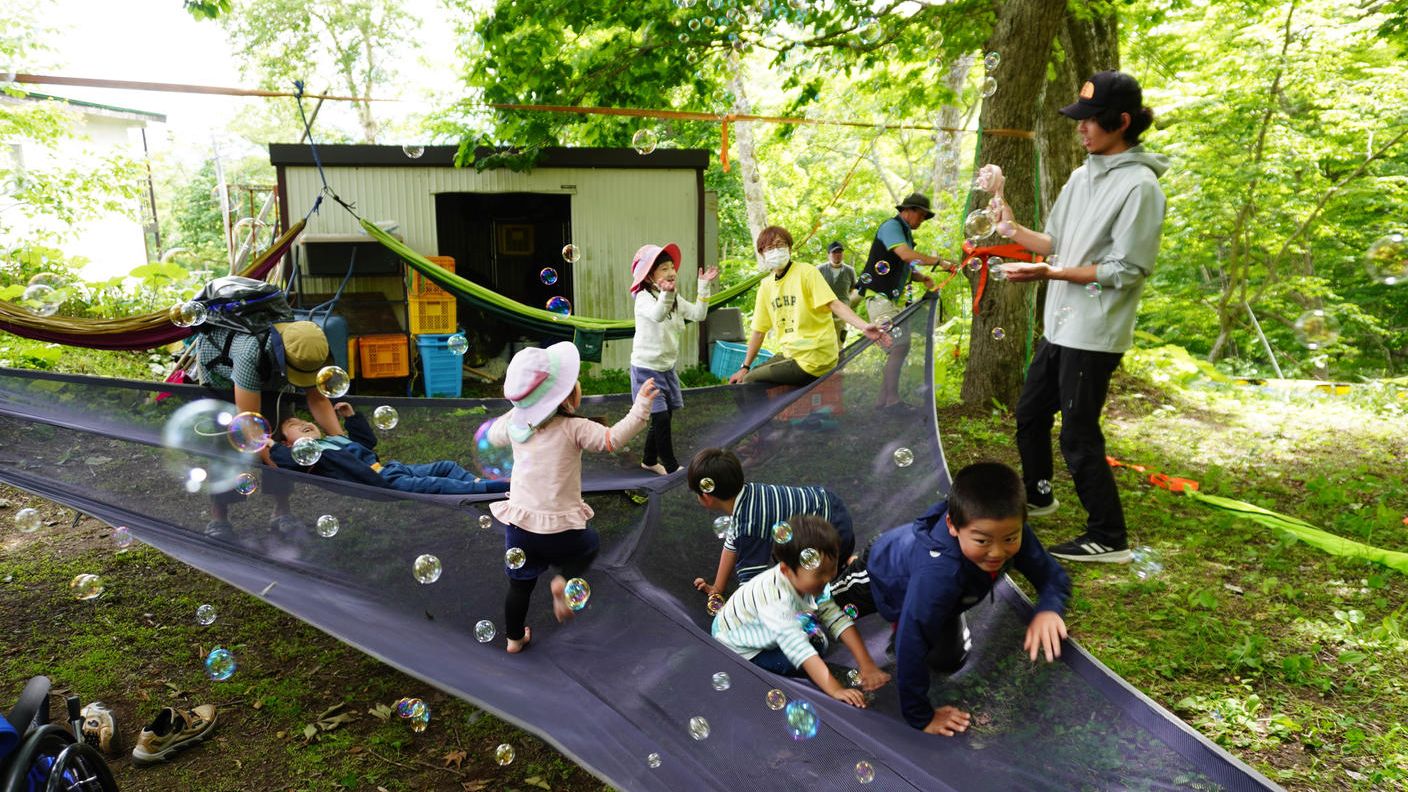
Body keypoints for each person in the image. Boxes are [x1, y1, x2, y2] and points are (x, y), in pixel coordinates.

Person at [988, 71, 1168, 563]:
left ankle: (1109, 537)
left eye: (1090, 120)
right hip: (1061, 323)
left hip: (1096, 330)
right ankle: (1040, 496)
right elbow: (1053, 244)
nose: (1081, 129)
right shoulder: (1080, 175)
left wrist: (1050, 272)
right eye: (1080, 119)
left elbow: (1127, 269)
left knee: (1078, 432)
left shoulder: (1140, 187)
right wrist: (1013, 228)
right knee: (1029, 415)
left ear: (1122, 121)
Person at [829, 462, 1072, 735]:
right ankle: (845, 569)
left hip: (935, 594)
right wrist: (921, 717)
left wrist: (1049, 609)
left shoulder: (1007, 530)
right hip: (880, 574)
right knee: (822, 611)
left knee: (947, 659)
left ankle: (916, 614)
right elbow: (913, 640)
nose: (997, 552)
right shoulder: (939, 575)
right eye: (982, 541)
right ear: (952, 526)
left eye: (1009, 538)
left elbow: (1053, 577)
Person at [486, 341, 660, 653]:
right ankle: (563, 580)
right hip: (561, 529)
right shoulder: (575, 428)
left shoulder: (514, 424)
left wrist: (518, 415)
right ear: (566, 396)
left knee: (518, 586)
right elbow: (611, 439)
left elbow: (492, 436)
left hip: (520, 525)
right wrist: (640, 408)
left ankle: (514, 640)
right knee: (589, 545)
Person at [711, 514, 890, 706]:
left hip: (765, 626)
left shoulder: (812, 582)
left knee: (819, 643)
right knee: (798, 657)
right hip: (738, 645)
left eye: (833, 568)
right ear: (787, 571)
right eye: (820, 573)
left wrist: (866, 663)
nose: (828, 578)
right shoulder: (776, 602)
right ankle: (820, 675)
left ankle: (811, 661)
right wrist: (836, 690)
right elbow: (801, 651)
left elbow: (837, 618)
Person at [191, 318, 339, 538]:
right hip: (222, 378)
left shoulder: (311, 347)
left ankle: (281, 512)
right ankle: (219, 516)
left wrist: (343, 444)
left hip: (272, 375)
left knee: (284, 432)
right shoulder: (250, 353)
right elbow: (247, 422)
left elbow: (318, 400)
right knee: (227, 444)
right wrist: (276, 458)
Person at [728, 225, 889, 389]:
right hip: (792, 353)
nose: (776, 250)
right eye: (770, 247)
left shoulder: (806, 272)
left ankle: (766, 415)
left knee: (750, 382)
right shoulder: (766, 286)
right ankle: (780, 413)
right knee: (746, 378)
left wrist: (864, 326)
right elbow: (758, 331)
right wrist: (745, 367)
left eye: (780, 245)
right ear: (762, 254)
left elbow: (834, 303)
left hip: (816, 356)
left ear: (789, 249)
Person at [686, 447, 855, 598]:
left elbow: (751, 585)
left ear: (706, 497)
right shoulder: (748, 494)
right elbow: (732, 543)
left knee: (801, 583)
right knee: (782, 550)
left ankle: (843, 567)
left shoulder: (750, 525)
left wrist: (733, 614)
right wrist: (717, 588)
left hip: (831, 533)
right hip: (827, 502)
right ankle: (843, 560)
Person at [271, 403, 509, 495]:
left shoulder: (333, 440)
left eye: (304, 421)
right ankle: (493, 489)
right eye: (293, 425)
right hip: (379, 483)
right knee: (434, 485)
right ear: (286, 443)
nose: (303, 424)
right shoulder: (311, 455)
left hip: (390, 469)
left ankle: (478, 488)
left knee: (444, 467)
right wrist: (269, 445)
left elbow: (366, 443)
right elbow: (286, 460)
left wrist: (351, 418)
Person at [628, 242, 720, 475]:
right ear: (648, 277)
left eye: (671, 267)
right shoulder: (643, 298)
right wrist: (668, 294)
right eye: (663, 269)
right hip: (646, 368)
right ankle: (670, 467)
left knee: (664, 415)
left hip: (666, 368)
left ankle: (649, 460)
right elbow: (658, 315)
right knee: (660, 419)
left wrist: (704, 286)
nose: (671, 272)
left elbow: (699, 314)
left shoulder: (673, 297)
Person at [856, 192, 948, 409]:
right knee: (899, 345)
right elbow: (906, 255)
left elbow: (903, 265)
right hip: (879, 297)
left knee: (900, 346)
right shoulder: (892, 227)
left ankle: (883, 400)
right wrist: (939, 261)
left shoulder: (905, 234)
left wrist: (920, 277)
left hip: (889, 300)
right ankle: (892, 400)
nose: (923, 221)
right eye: (922, 216)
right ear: (909, 210)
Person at [816, 241, 859, 346]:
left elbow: (854, 289)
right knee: (823, 344)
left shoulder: (850, 270)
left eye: (839, 252)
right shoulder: (819, 269)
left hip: (842, 316)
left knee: (839, 345)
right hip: (823, 314)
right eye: (834, 252)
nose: (837, 255)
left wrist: (848, 305)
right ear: (828, 254)